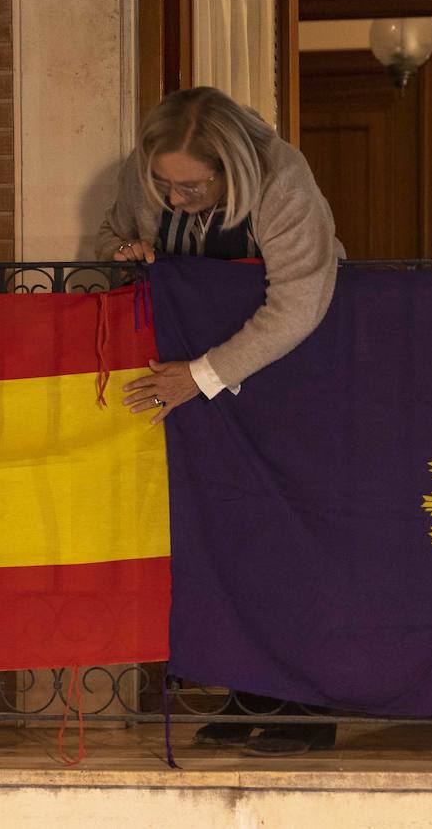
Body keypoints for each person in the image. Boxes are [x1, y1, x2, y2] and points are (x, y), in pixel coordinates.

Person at [99, 86, 344, 756]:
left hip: (288, 379)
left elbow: (299, 303)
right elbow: (112, 236)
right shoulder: (149, 176)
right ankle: (244, 691)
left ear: (232, 167)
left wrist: (200, 375)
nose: (173, 201)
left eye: (191, 188)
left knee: (288, 538)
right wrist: (127, 254)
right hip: (195, 384)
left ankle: (305, 704)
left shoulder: (282, 178)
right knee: (217, 534)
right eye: (163, 186)